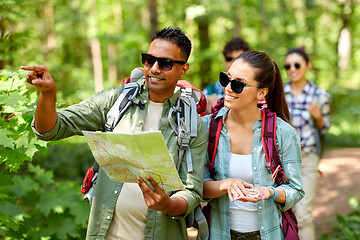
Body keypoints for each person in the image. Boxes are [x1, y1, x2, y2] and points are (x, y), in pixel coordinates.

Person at [21, 27, 207, 240]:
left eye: (165, 63)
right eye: (149, 60)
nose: (154, 69)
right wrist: (47, 94)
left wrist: (169, 205)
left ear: (183, 70)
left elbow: (192, 191)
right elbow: (50, 129)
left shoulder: (192, 123)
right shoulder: (116, 101)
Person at [202, 51, 304, 239]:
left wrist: (270, 192)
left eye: (238, 84)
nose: (228, 88)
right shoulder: (207, 127)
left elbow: (296, 191)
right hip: (218, 233)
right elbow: (198, 186)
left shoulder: (283, 133)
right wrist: (226, 184)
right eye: (226, 79)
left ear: (262, 92)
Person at [283, 47, 331, 240]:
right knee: (285, 212)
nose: (292, 69)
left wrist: (318, 117)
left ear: (308, 66)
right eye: (287, 66)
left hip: (308, 159)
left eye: (297, 65)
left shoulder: (320, 96)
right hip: (283, 160)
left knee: (302, 214)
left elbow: (324, 129)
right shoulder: (279, 93)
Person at [203, 37, 251, 113]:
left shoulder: (253, 91)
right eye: (229, 58)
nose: (233, 62)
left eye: (238, 59)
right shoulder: (208, 92)